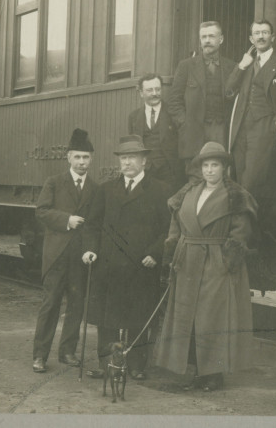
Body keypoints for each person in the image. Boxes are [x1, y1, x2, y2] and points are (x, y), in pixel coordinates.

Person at [154, 141, 257, 392]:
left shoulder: (235, 195)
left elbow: (241, 233)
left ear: (224, 168)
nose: (210, 170)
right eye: (206, 166)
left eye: (215, 165)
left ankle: (213, 374)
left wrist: (227, 262)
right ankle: (194, 371)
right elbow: (175, 225)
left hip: (216, 262)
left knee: (213, 319)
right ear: (200, 169)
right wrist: (173, 252)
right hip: (187, 261)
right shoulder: (188, 192)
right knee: (187, 319)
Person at [82, 135, 171, 381]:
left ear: (144, 161)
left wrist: (155, 252)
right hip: (108, 267)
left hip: (142, 266)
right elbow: (92, 225)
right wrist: (89, 249)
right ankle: (106, 363)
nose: (127, 162)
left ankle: (135, 365)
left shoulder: (160, 190)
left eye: (132, 157)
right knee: (107, 318)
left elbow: (169, 229)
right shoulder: (106, 189)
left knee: (139, 317)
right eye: (123, 158)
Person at [31, 128, 98, 373]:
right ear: (68, 157)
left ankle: (67, 351)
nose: (82, 162)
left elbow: (94, 224)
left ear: (91, 159)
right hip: (57, 255)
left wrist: (90, 249)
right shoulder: (54, 183)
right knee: (50, 305)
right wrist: (66, 220)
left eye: (86, 158)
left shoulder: (94, 188)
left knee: (76, 306)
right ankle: (39, 355)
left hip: (80, 257)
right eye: (77, 157)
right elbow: (42, 211)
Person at [226, 20, 276, 196]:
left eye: (265, 32)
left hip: (265, 128)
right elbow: (228, 91)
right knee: (239, 179)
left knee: (252, 181)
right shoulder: (247, 64)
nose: (261, 36)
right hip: (242, 128)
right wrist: (241, 66)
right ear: (251, 38)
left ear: (272, 37)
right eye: (257, 33)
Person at [166, 21, 238, 172]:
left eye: (211, 36)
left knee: (222, 175)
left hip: (222, 132)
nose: (207, 40)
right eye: (203, 37)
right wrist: (185, 123)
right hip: (194, 133)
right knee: (196, 177)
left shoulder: (231, 66)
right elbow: (173, 100)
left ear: (221, 39)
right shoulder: (186, 66)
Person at [128, 74, 182, 189]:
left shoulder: (173, 113)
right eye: (149, 90)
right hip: (144, 172)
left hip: (169, 172)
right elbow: (132, 148)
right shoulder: (133, 117)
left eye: (157, 89)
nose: (154, 93)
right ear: (141, 93)